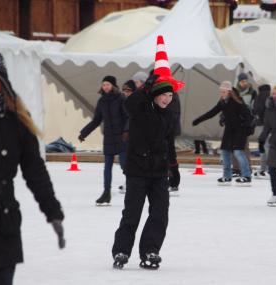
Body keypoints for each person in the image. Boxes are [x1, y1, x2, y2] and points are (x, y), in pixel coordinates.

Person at [0, 48, 65, 284]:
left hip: (4, 220)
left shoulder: (17, 119)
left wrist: (52, 212)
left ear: (2, 81)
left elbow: (35, 171)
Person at [112, 35, 184, 270]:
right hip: (137, 170)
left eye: (170, 95)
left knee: (160, 214)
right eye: (163, 94)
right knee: (132, 213)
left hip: (159, 171)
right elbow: (128, 105)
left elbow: (169, 142)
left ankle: (151, 250)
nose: (167, 99)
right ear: (155, 94)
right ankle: (122, 251)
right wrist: (146, 87)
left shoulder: (170, 115)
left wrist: (173, 168)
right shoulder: (140, 109)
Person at [78, 76, 128, 206]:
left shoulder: (121, 98)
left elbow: (128, 117)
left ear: (113, 86)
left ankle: (134, 187)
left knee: (124, 165)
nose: (105, 87)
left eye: (108, 84)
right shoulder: (101, 101)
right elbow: (96, 120)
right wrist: (84, 133)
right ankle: (106, 193)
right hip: (109, 138)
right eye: (104, 84)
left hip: (122, 138)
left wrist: (126, 132)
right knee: (107, 167)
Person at [192, 81, 252, 185]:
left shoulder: (238, 102)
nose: (222, 94)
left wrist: (247, 129)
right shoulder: (222, 102)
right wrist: (198, 120)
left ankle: (246, 176)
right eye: (221, 92)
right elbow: (212, 113)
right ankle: (227, 176)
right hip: (229, 131)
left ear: (229, 92)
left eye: (224, 92)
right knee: (225, 152)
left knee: (238, 152)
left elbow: (248, 116)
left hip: (239, 130)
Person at [231, 72, 257, 177]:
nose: (244, 83)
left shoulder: (252, 92)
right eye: (242, 81)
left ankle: (247, 168)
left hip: (245, 123)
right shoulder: (234, 92)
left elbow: (254, 108)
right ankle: (236, 168)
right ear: (239, 82)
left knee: (244, 147)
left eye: (245, 81)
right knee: (234, 146)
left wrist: (252, 121)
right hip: (235, 123)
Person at [253, 82, 271, 179]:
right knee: (267, 146)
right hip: (270, 124)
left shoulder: (260, 95)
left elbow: (256, 109)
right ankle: (266, 169)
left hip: (262, 124)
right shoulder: (271, 94)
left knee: (264, 146)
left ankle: (265, 169)